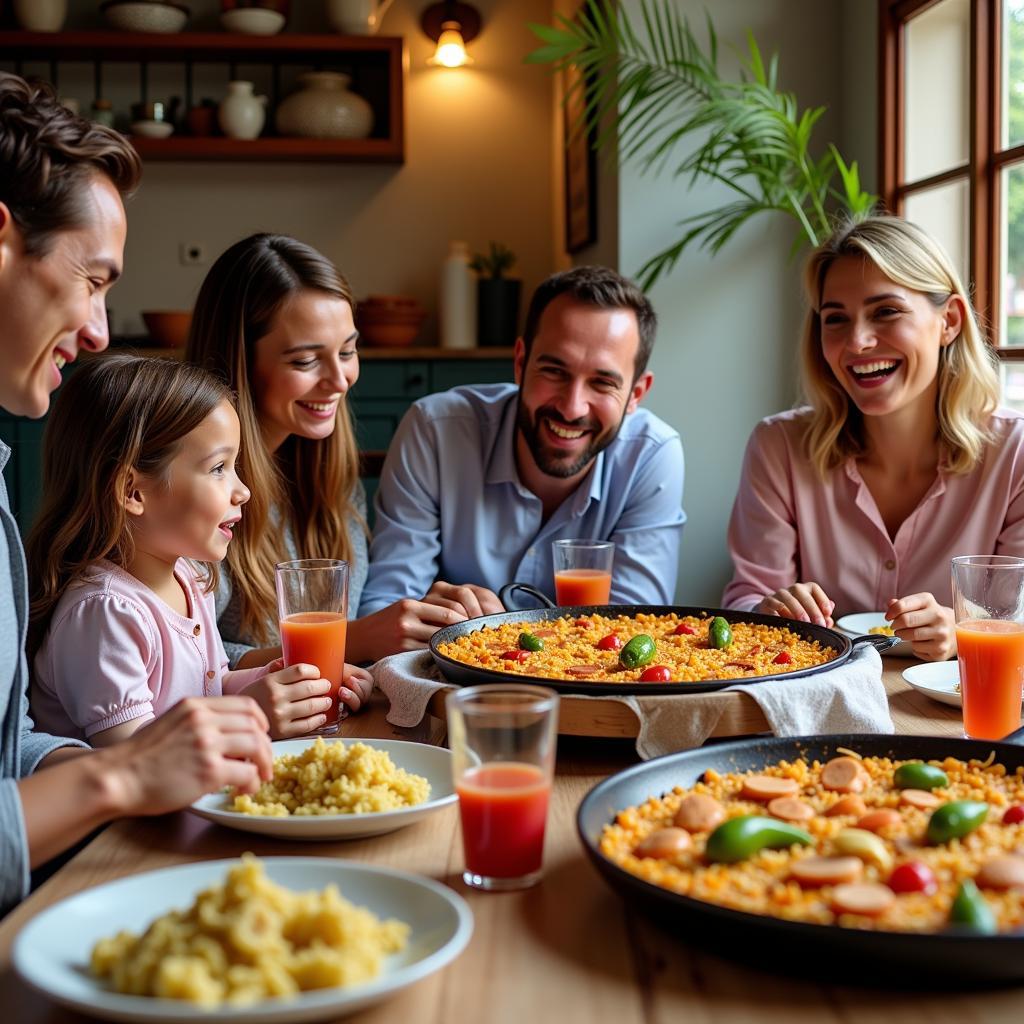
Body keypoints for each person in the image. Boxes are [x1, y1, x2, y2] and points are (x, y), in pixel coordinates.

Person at [0, 71, 271, 917]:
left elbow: (11, 752)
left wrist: (106, 766)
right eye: (93, 280)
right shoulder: (103, 605)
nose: (99, 330)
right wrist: (121, 770)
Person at [722, 214, 1024, 661]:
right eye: (835, 319)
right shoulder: (778, 447)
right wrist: (768, 610)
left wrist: (964, 631)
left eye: (886, 311)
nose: (858, 341)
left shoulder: (1014, 453)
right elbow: (746, 601)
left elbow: (1017, 620)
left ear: (950, 321)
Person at [27, 356, 373, 743]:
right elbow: (130, 759)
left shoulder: (190, 578)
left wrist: (282, 684)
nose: (243, 491)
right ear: (132, 491)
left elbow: (209, 688)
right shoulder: (105, 612)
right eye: (218, 468)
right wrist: (253, 714)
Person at [187, 234, 486, 663]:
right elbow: (184, 660)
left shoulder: (330, 480)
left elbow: (359, 630)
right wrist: (351, 641)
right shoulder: (197, 490)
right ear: (239, 361)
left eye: (347, 351)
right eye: (306, 361)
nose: (339, 379)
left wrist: (427, 615)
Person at [359, 265, 686, 617]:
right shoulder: (435, 431)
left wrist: (503, 635)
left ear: (636, 393)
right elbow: (388, 609)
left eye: (602, 383)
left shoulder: (652, 454)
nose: (572, 408)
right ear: (520, 362)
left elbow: (633, 626)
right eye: (554, 371)